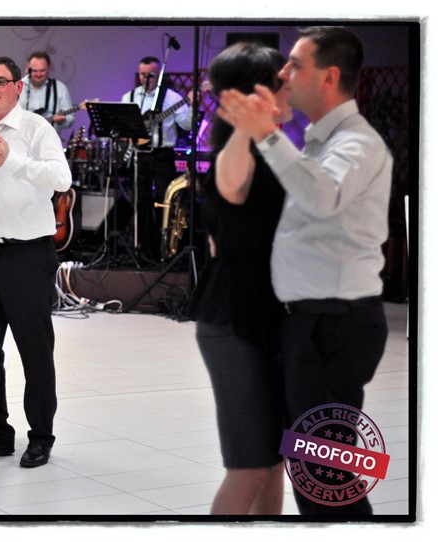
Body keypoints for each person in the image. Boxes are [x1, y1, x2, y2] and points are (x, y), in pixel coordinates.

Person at [218, 26, 392, 516]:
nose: (284, 73)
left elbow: (321, 198)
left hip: (333, 327)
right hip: (312, 323)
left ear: (330, 76)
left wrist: (267, 135)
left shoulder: (357, 143)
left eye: (296, 64)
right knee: (316, 472)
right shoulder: (319, 141)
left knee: (324, 478)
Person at [187, 42, 292, 515]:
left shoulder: (274, 149)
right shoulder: (237, 151)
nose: (290, 87)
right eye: (282, 80)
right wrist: (248, 126)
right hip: (234, 317)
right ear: (255, 93)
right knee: (249, 465)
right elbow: (229, 189)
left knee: (274, 460)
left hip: (267, 311)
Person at [0, 56, 72, 468]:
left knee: (34, 351)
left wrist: (12, 161)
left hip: (27, 253)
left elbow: (62, 179)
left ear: (18, 87)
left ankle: (40, 437)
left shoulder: (37, 128)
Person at [121, 56, 193, 262]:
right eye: (142, 75)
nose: (146, 79)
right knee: (141, 201)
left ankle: (166, 249)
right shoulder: (130, 97)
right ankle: (145, 247)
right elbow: (123, 125)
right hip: (140, 154)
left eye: (150, 75)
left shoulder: (172, 98)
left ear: (159, 75)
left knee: (164, 199)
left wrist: (192, 106)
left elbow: (187, 125)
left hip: (163, 155)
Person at [18, 51, 76, 137]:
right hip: (21, 138)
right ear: (28, 68)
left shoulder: (60, 88)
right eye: (35, 70)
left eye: (42, 71)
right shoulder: (17, 86)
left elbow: (70, 119)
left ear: (49, 68)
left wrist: (62, 121)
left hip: (49, 139)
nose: (38, 74)